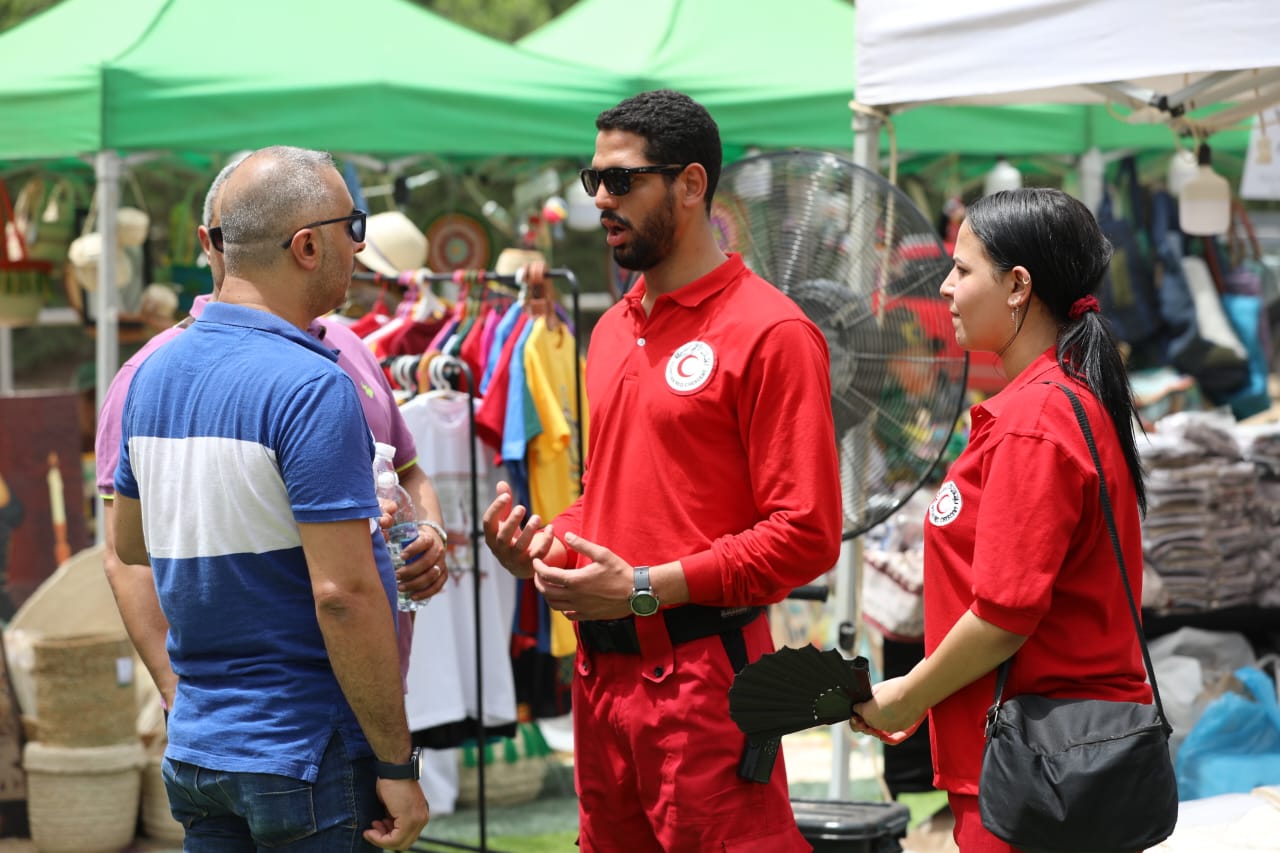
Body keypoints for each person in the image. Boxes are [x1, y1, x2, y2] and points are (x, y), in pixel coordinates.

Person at [482, 90, 843, 852]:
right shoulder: (613, 328)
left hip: (708, 684)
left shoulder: (773, 331)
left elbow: (807, 534)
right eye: (595, 180)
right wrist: (547, 544)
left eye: (621, 180)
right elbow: (609, 498)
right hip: (601, 684)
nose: (600, 200)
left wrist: (647, 586)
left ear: (690, 184)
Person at [112, 146, 429, 851]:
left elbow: (132, 544)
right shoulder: (311, 384)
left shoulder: (152, 374)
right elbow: (342, 595)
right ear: (307, 246)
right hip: (306, 746)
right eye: (354, 225)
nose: (361, 245)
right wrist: (396, 764)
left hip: (200, 746)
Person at [849, 188, 1152, 853]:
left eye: (962, 270)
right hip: (1040, 763)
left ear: (1018, 286)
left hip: (1035, 773)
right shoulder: (1051, 402)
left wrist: (908, 695)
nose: (946, 288)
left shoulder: (1033, 421)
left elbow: (1003, 616)